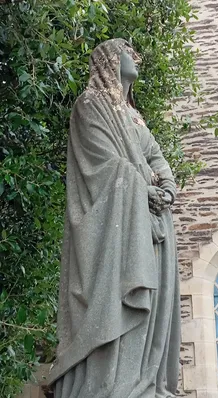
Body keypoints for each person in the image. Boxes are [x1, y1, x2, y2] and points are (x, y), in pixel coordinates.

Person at [49, 38, 181, 398]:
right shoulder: (89, 107)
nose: (135, 56)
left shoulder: (134, 116)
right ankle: (114, 385)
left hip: (150, 222)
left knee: (152, 310)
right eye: (126, 50)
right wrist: (143, 187)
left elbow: (154, 155)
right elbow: (103, 167)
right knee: (118, 309)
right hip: (116, 231)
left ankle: (145, 383)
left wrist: (166, 184)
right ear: (109, 60)